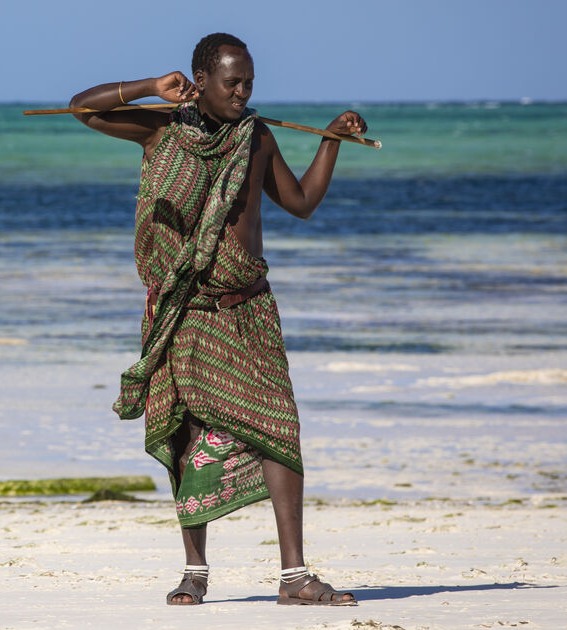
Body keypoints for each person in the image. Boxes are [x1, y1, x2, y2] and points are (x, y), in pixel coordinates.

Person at [69, 32, 364, 606]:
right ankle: (195, 572)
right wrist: (149, 88)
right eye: (233, 82)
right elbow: (84, 107)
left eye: (250, 82)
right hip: (183, 312)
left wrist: (330, 141)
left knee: (279, 425)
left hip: (247, 306)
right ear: (200, 81)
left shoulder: (256, 138)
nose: (243, 92)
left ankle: (295, 577)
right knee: (183, 432)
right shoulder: (160, 130)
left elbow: (301, 203)